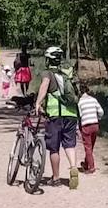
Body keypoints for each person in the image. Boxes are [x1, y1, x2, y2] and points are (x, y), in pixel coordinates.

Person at [34, 46, 81, 189]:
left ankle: (55, 178)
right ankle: (73, 167)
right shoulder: (68, 73)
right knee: (69, 144)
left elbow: (44, 86)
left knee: (54, 148)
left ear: (48, 60)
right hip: (71, 114)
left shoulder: (47, 73)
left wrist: (38, 103)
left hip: (55, 115)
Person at [77, 82, 105, 173]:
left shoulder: (80, 102)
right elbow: (101, 111)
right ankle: (86, 163)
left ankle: (91, 167)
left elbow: (80, 116)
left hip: (86, 126)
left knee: (88, 147)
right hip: (95, 125)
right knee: (91, 146)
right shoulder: (93, 100)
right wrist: (98, 118)